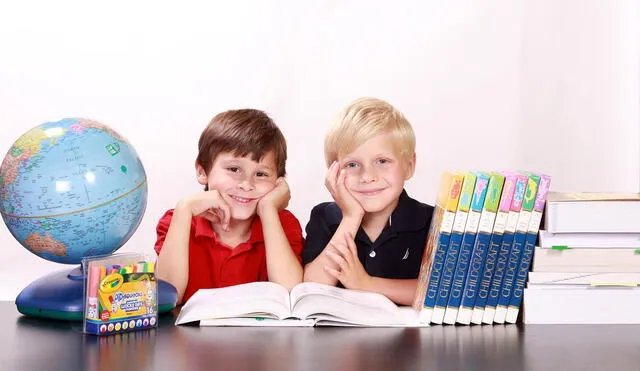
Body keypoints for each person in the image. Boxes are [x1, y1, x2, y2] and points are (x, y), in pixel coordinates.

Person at [155, 109, 303, 304]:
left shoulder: (282, 224)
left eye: (261, 174)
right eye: (234, 169)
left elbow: (291, 296)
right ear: (202, 171)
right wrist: (185, 208)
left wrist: (268, 210)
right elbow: (165, 299)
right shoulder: (179, 221)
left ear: (278, 182)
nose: (247, 184)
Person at [303, 97, 434, 305]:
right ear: (333, 172)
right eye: (353, 164)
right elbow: (312, 287)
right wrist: (351, 216)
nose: (367, 176)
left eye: (382, 161)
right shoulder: (325, 217)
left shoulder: (430, 221)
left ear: (409, 166)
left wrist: (366, 284)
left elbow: (438, 292)